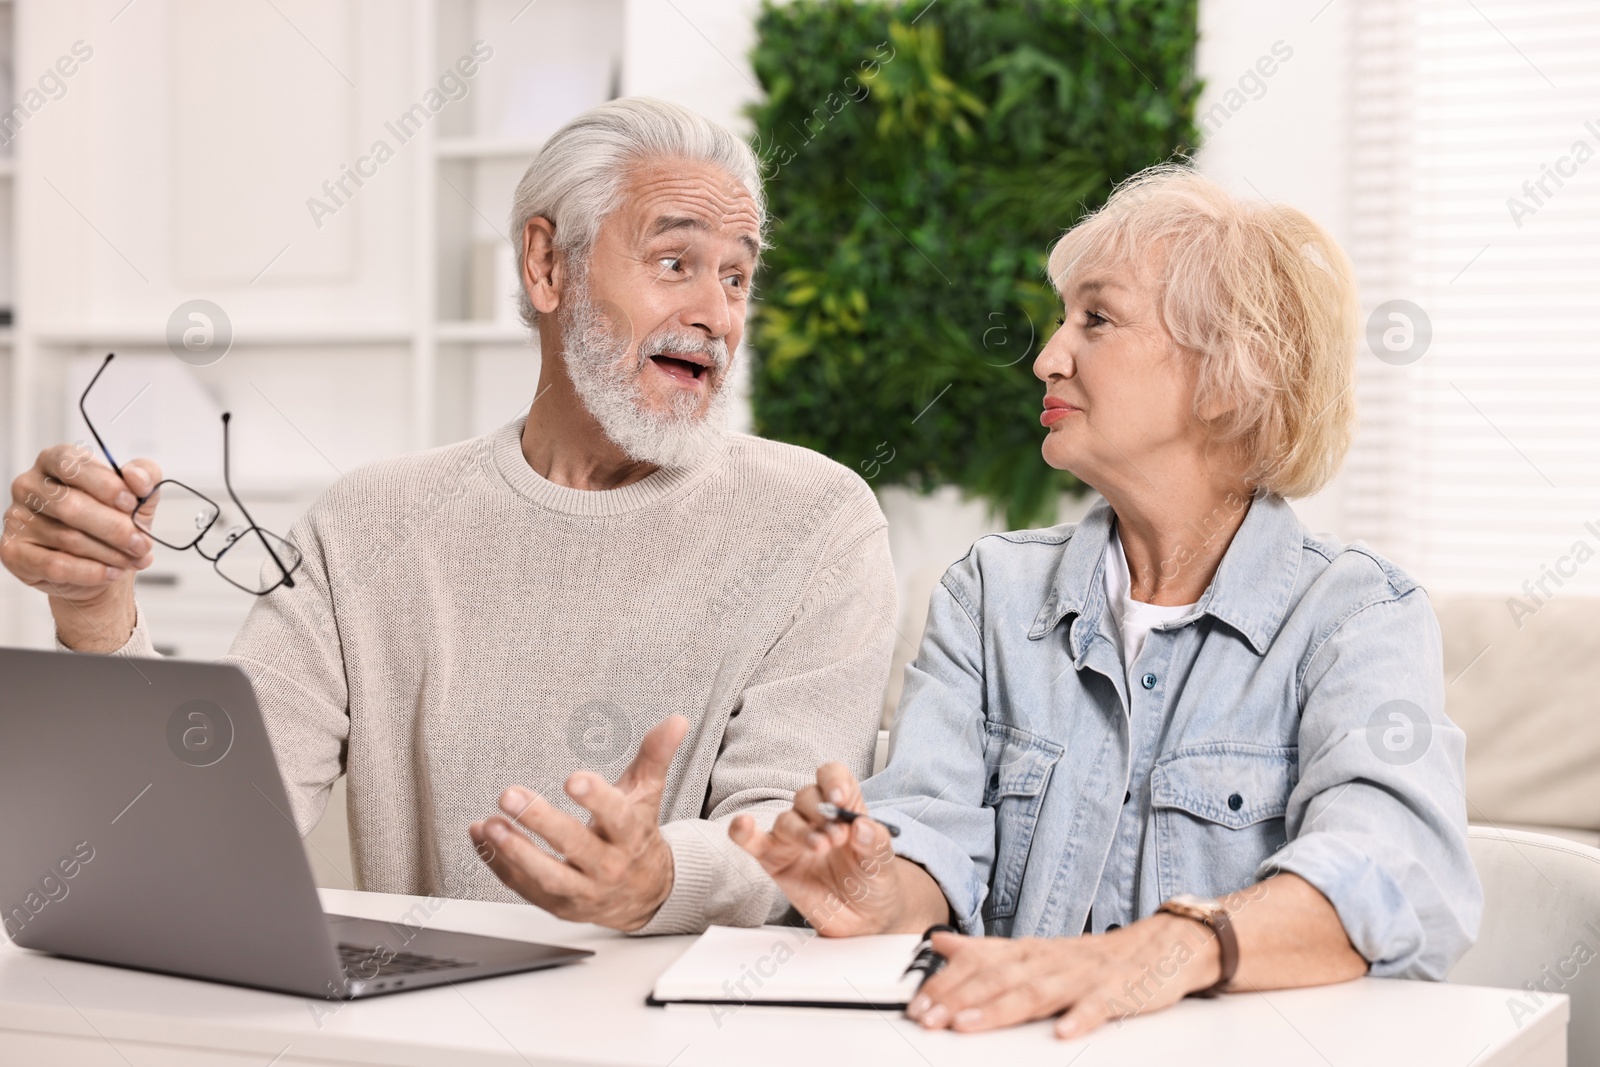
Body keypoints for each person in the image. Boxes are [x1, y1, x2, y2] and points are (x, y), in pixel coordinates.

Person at [0, 98, 897, 935]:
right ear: (548, 265)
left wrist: (656, 876)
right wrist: (96, 612)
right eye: (675, 263)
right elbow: (194, 823)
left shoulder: (817, 521)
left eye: (737, 277)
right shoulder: (369, 522)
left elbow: (792, 833)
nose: (714, 314)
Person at [732, 164, 1481, 1035]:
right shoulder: (988, 594)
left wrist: (1155, 950)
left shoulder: (1356, 616)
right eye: (1061, 320)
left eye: (1097, 318)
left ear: (1232, 373)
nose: (1048, 355)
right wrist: (876, 887)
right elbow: (934, 841)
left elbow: (1392, 873)